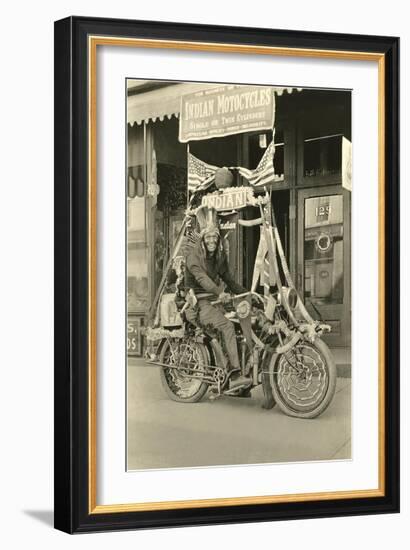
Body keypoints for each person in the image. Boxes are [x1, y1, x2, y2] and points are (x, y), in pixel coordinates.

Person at [185, 206, 251, 389]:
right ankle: (235, 375)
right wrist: (219, 292)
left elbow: (229, 280)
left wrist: (247, 293)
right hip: (197, 304)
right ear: (203, 239)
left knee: (239, 324)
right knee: (227, 326)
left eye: (215, 237)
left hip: (214, 301)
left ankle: (240, 378)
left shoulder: (218, 257)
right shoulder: (193, 257)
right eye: (208, 237)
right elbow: (202, 279)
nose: (212, 240)